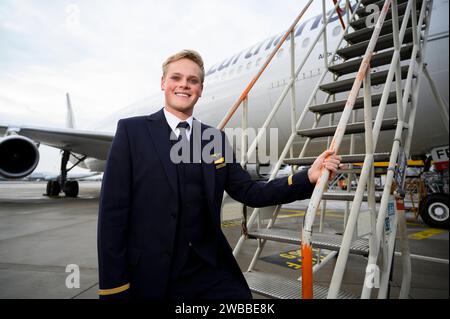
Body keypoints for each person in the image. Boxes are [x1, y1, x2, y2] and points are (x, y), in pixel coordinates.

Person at [97, 49, 341, 299]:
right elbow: (112, 216)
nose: (184, 85)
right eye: (176, 78)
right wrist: (114, 288)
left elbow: (250, 191)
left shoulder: (213, 139)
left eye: (193, 81)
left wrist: (306, 176)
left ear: (200, 89)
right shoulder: (132, 132)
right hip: (152, 273)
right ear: (163, 83)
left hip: (207, 269)